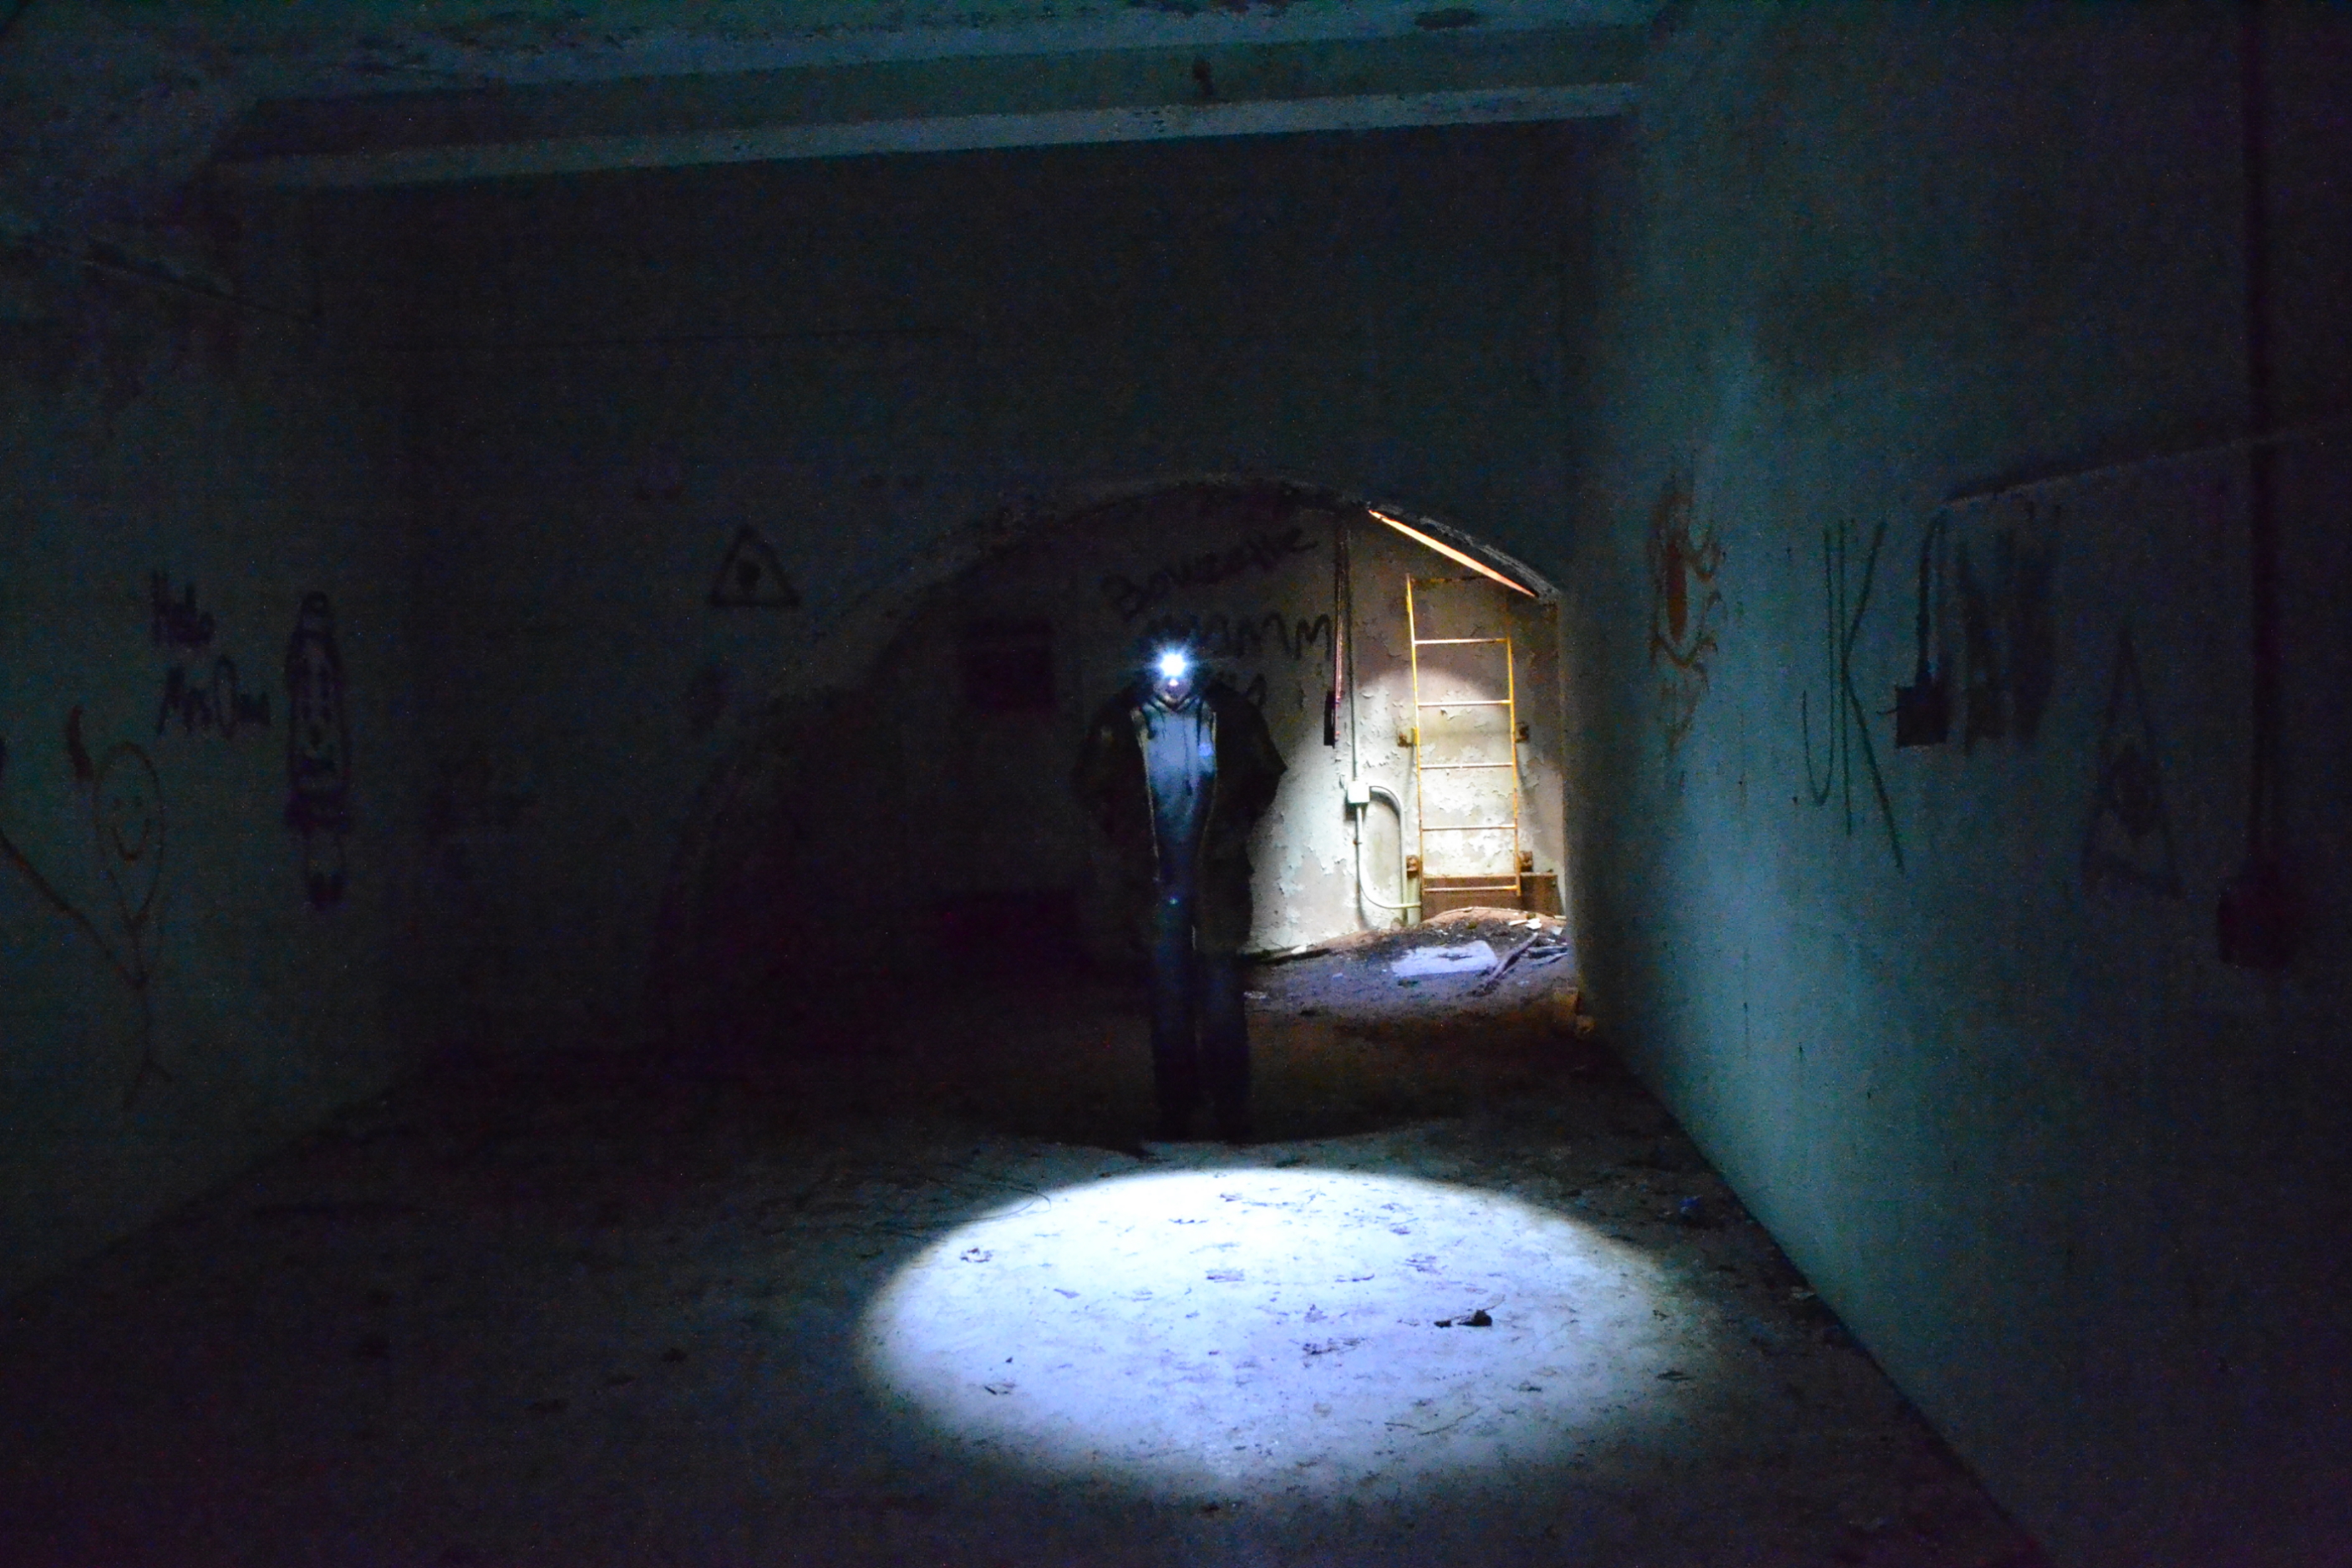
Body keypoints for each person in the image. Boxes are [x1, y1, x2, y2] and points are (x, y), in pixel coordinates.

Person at [1074, 647, 1285, 1142]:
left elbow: (1264, 773)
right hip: (1155, 883)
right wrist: (1124, 838)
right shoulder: (1123, 718)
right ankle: (1176, 1109)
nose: (1173, 683)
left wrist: (1237, 827)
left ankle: (1231, 1110)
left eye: (1181, 673)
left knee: (1221, 1000)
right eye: (1163, 674)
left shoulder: (1229, 713)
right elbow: (1089, 783)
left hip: (1216, 881)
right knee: (1168, 1001)